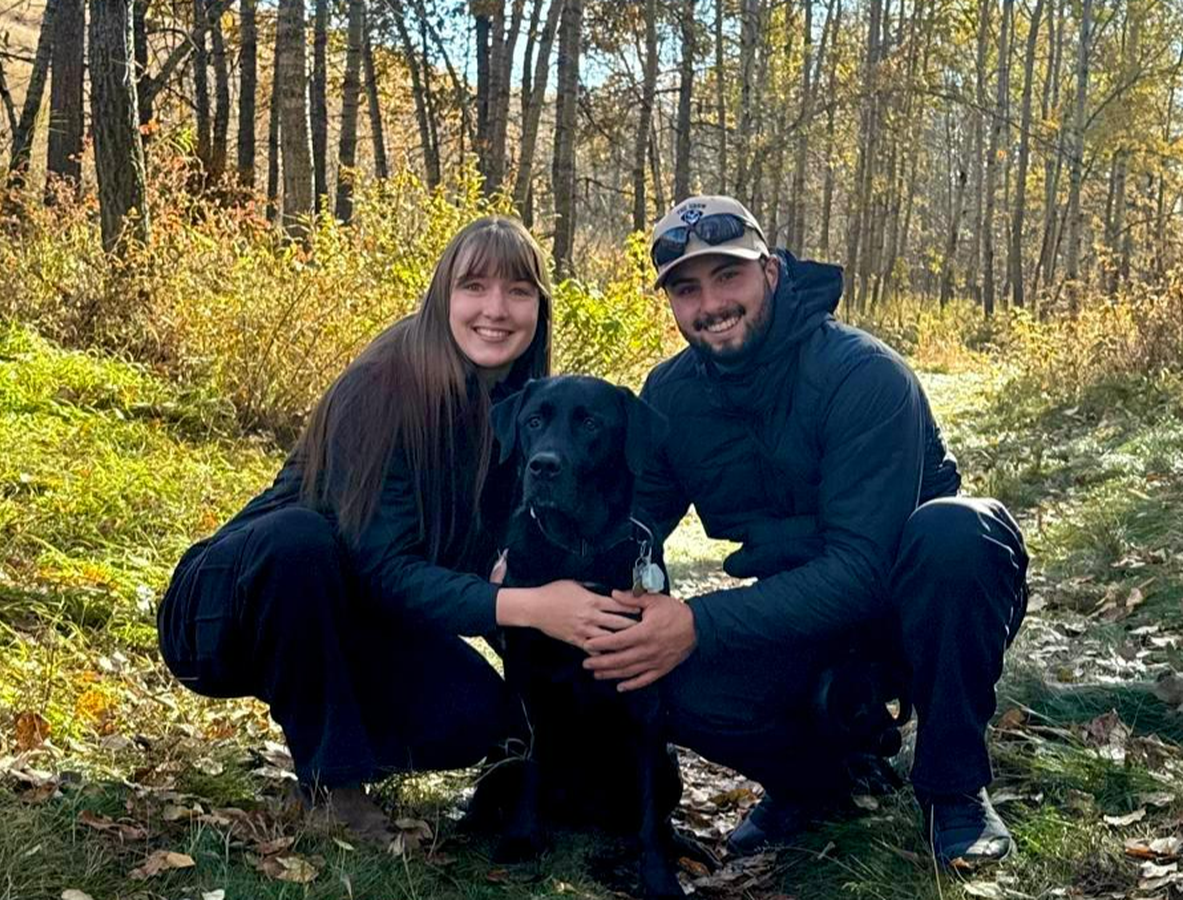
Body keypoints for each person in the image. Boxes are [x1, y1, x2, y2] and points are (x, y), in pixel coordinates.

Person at [581, 196, 1029, 866]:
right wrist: (536, 571)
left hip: (917, 610)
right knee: (656, 670)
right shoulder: (670, 396)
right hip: (799, 616)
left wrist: (697, 621)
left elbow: (863, 569)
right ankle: (817, 785)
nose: (711, 304)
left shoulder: (862, 374)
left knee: (957, 533)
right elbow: (636, 523)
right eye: (686, 289)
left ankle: (955, 789)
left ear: (770, 271)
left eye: (727, 276)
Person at [157, 217, 638, 837]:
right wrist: (529, 607)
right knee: (299, 538)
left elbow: (489, 571)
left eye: (518, 291)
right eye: (474, 286)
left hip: (353, 617)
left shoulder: (527, 413)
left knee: (480, 717)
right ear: (442, 297)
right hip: (226, 606)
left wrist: (583, 647)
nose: (496, 309)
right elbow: (381, 568)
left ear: (539, 309)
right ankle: (332, 788)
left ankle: (337, 741)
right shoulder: (386, 383)